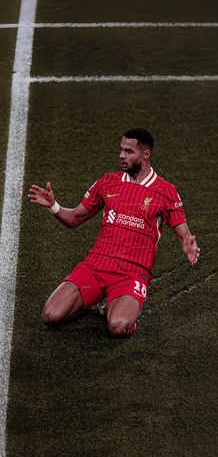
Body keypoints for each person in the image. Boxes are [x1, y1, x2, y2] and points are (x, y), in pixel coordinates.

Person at [28, 128, 200, 337]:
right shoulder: (107, 182)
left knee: (118, 326)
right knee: (50, 315)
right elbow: (75, 218)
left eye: (128, 151)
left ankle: (119, 307)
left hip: (132, 273)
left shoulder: (166, 191)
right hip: (96, 266)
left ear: (145, 155)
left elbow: (183, 232)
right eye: (121, 150)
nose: (121, 155)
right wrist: (54, 206)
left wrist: (187, 245)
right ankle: (93, 300)